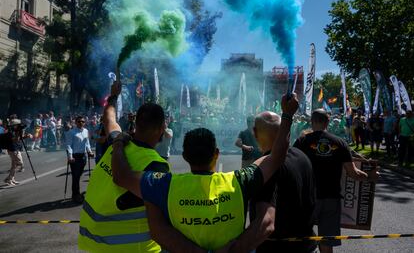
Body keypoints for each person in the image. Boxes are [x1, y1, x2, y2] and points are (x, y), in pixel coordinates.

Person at [109, 88, 298, 251]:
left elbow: (121, 176)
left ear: (184, 156)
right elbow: (276, 157)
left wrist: (118, 143)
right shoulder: (238, 181)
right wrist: (287, 115)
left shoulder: (164, 184)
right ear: (216, 154)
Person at [78, 88, 171, 252]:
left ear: (136, 123)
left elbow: (109, 119)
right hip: (130, 248)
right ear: (162, 127)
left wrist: (114, 95)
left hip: (90, 243)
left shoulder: (117, 141)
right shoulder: (156, 165)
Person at [228, 111, 317, 253]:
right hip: (307, 246)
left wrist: (235, 249)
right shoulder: (302, 156)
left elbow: (266, 224)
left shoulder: (268, 169)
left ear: (255, 133)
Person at [294, 109, 379, 253]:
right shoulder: (339, 143)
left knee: (300, 238)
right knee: (327, 240)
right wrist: (370, 176)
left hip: (307, 198)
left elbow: (292, 166)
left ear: (312, 121)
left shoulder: (302, 141)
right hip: (331, 199)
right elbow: (353, 173)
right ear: (328, 122)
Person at [66, 116, 94, 203]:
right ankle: (75, 195)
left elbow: (87, 143)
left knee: (78, 176)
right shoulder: (71, 132)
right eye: (79, 121)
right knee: (76, 176)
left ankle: (76, 193)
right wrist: (70, 156)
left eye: (82, 121)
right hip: (75, 157)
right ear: (75, 122)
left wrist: (89, 151)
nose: (81, 123)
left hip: (83, 156)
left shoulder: (86, 131)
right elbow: (68, 145)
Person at [2, 119, 30, 186]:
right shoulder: (10, 132)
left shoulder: (15, 130)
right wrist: (21, 133)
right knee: (19, 163)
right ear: (14, 125)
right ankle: (9, 179)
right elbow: (15, 140)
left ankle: (11, 179)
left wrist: (25, 135)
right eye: (18, 125)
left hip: (16, 149)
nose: (19, 126)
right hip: (13, 149)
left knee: (14, 165)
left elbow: (19, 138)